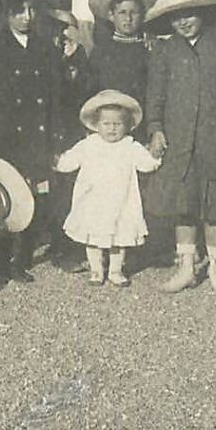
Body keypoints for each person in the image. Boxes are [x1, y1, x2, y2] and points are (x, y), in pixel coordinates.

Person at [0, 0, 80, 292]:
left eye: (31, 10)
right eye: (19, 11)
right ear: (7, 15)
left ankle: (20, 260)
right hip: (4, 132)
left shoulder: (45, 47)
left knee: (31, 194)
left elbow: (57, 95)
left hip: (37, 131)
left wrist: (57, 138)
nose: (27, 17)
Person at [144, 0, 216, 297]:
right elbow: (155, 93)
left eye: (190, 14)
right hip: (178, 140)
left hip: (214, 138)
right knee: (184, 206)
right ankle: (186, 266)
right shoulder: (165, 49)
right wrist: (155, 126)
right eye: (176, 17)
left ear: (203, 12)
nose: (184, 21)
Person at [58, 90, 159, 286]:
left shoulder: (130, 146)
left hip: (122, 201)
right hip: (93, 201)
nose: (112, 129)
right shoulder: (88, 144)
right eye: (106, 124)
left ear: (127, 126)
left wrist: (154, 156)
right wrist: (60, 162)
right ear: (96, 125)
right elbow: (70, 160)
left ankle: (115, 270)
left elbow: (146, 164)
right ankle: (96, 269)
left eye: (117, 124)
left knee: (118, 238)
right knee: (93, 236)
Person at [86, 0, 161, 125]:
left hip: (142, 124)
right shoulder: (101, 52)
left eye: (134, 13)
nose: (128, 18)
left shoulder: (151, 49)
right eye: (122, 13)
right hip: (108, 125)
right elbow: (90, 91)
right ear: (111, 15)